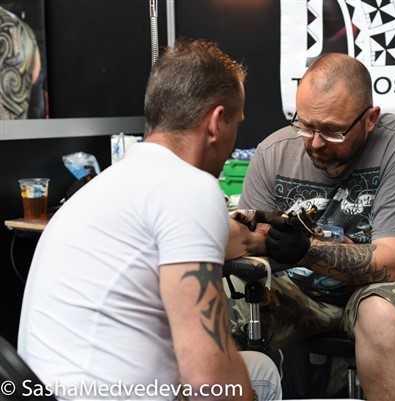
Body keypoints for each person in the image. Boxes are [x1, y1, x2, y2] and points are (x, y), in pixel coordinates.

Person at [18, 39, 281, 401]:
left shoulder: (111, 183)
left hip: (45, 389)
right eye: (236, 124)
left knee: (259, 370)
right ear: (216, 122)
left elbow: (218, 237)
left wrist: (258, 237)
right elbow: (209, 382)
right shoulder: (188, 187)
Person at [230, 52, 395, 401]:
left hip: (387, 287)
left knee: (380, 312)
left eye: (332, 131)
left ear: (370, 119)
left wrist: (306, 250)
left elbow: (390, 263)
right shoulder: (273, 152)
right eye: (305, 125)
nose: (315, 142)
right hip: (297, 289)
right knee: (211, 301)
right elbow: (248, 238)